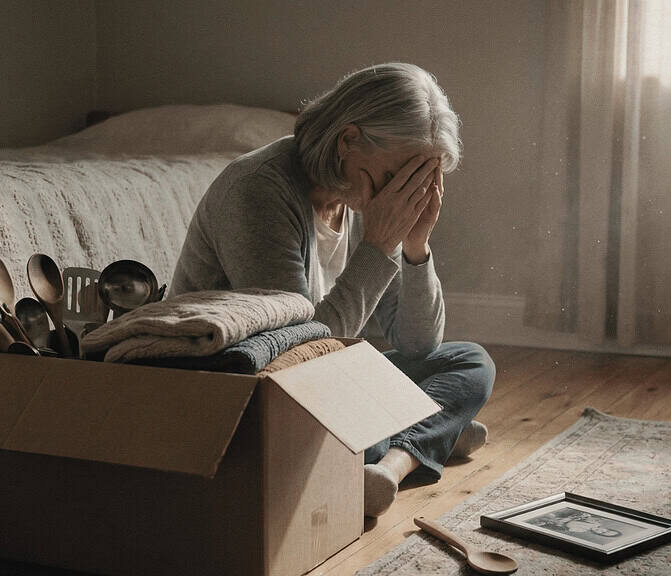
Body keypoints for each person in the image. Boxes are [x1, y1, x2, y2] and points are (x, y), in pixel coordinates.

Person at [169, 62, 495, 517]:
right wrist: (380, 244)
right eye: (401, 175)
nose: (407, 191)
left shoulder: (361, 191)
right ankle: (434, 431)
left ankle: (397, 460)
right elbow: (298, 352)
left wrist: (415, 246)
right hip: (242, 389)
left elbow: (418, 343)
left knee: (470, 361)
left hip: (316, 371)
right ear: (348, 140)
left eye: (421, 178)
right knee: (366, 416)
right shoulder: (258, 190)